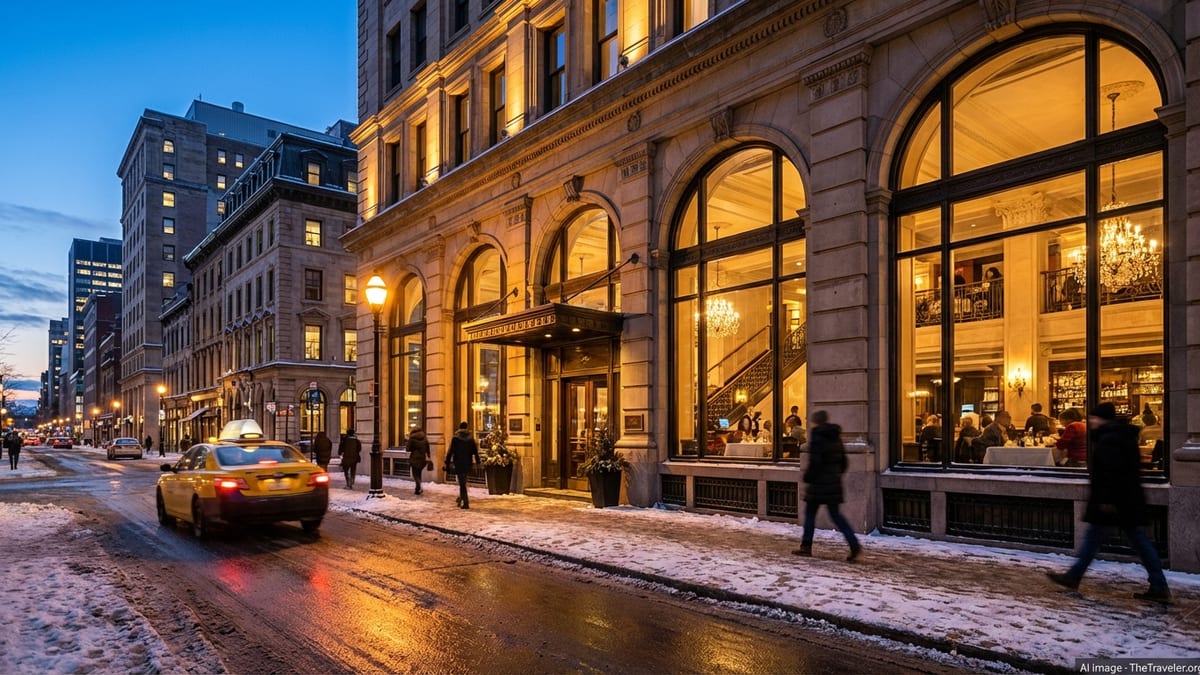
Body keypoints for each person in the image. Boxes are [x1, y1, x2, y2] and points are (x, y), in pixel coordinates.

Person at [1047, 403, 1170, 603]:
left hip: (1114, 502)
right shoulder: (1121, 436)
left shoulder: (1109, 439)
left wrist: (1107, 499)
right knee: (1124, 541)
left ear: (1101, 419)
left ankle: (1074, 576)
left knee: (1105, 540)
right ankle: (1158, 585)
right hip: (1126, 500)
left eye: (1094, 418)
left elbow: (1111, 472)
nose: (1091, 422)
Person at [793, 410, 861, 561]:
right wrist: (835, 475)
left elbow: (815, 463)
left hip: (818, 484)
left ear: (816, 422)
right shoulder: (835, 437)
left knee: (810, 515)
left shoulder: (817, 437)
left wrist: (808, 477)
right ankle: (853, 543)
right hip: (833, 483)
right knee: (837, 516)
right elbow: (844, 462)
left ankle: (805, 546)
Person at [445, 422, 480, 509]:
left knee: (462, 483)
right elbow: (475, 452)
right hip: (468, 463)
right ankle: (461, 498)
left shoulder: (455, 438)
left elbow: (450, 452)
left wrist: (447, 462)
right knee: (463, 482)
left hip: (459, 463)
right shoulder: (471, 439)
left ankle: (466, 502)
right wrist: (478, 462)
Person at [406, 426, 430, 495]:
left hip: (414, 458)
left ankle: (419, 486)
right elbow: (428, 448)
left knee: (415, 474)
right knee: (419, 473)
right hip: (422, 458)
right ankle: (417, 489)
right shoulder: (424, 437)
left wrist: (409, 444)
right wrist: (428, 456)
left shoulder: (412, 438)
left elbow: (408, 449)